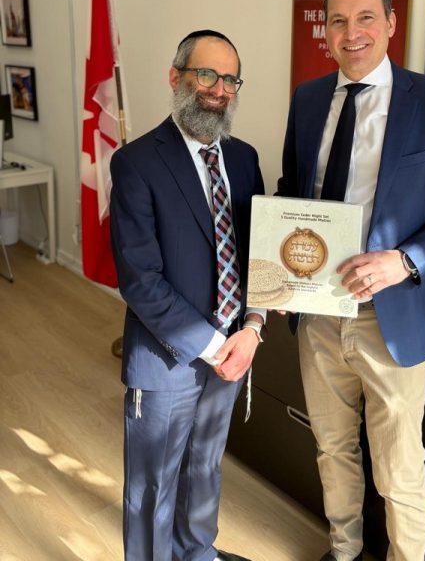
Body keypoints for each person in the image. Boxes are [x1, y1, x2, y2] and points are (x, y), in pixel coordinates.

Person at [277, 0, 425, 561]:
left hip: (393, 318)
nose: (352, 33)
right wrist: (280, 269)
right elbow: (294, 192)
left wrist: (406, 261)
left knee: (398, 466)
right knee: (332, 448)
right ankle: (344, 550)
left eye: (365, 17)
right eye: (338, 20)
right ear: (325, 30)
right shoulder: (306, 99)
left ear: (391, 24)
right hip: (319, 314)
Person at [110, 29, 266, 561]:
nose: (219, 89)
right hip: (168, 357)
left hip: (233, 350)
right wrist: (214, 346)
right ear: (176, 77)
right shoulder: (136, 163)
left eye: (230, 79)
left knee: (204, 468)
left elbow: (258, 256)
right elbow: (140, 279)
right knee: (153, 483)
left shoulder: (244, 158)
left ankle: (197, 553)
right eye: (206, 74)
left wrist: (253, 327)